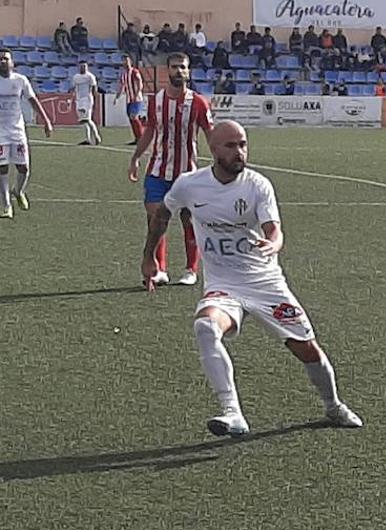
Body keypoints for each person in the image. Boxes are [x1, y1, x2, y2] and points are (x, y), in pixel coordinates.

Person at [141, 120, 363, 436]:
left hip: (266, 284)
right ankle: (233, 414)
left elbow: (273, 228)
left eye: (243, 144)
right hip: (223, 285)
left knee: (307, 349)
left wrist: (273, 242)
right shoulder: (189, 185)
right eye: (231, 146)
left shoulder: (258, 185)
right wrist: (149, 255)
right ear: (213, 149)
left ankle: (333, 406)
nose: (239, 152)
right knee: (205, 326)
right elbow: (162, 214)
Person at [126, 52, 213, 287]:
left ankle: (190, 269)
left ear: (189, 71)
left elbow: (211, 135)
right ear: (168, 70)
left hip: (187, 174)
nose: (179, 71)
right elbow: (150, 132)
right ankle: (160, 269)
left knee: (189, 220)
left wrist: (220, 163)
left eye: (183, 68)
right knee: (156, 220)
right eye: (174, 67)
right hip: (157, 172)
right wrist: (135, 157)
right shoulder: (156, 101)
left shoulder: (198, 103)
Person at [0, 48, 54, 218]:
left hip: (17, 130)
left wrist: (46, 121)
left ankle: (18, 191)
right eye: (0, 59)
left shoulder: (20, 80)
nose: (2, 61)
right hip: (0, 131)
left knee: (23, 167)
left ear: (12, 62)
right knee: (2, 167)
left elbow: (33, 101)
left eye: (5, 58)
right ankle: (7, 205)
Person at [71, 61, 101, 146]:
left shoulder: (90, 76)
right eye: (81, 66)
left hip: (87, 99)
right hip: (79, 100)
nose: (83, 68)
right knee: (84, 121)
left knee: (87, 119)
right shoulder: (76, 77)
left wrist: (95, 99)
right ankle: (88, 139)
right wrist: (71, 98)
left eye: (85, 66)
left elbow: (94, 88)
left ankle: (97, 136)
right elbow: (74, 88)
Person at [120, 55, 145, 145]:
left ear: (130, 61)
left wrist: (137, 93)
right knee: (131, 119)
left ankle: (141, 137)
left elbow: (140, 83)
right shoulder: (124, 74)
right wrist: (117, 96)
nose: (125, 63)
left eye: (126, 60)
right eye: (123, 61)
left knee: (133, 117)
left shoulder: (134, 72)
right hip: (129, 100)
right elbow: (122, 86)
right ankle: (137, 138)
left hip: (136, 99)